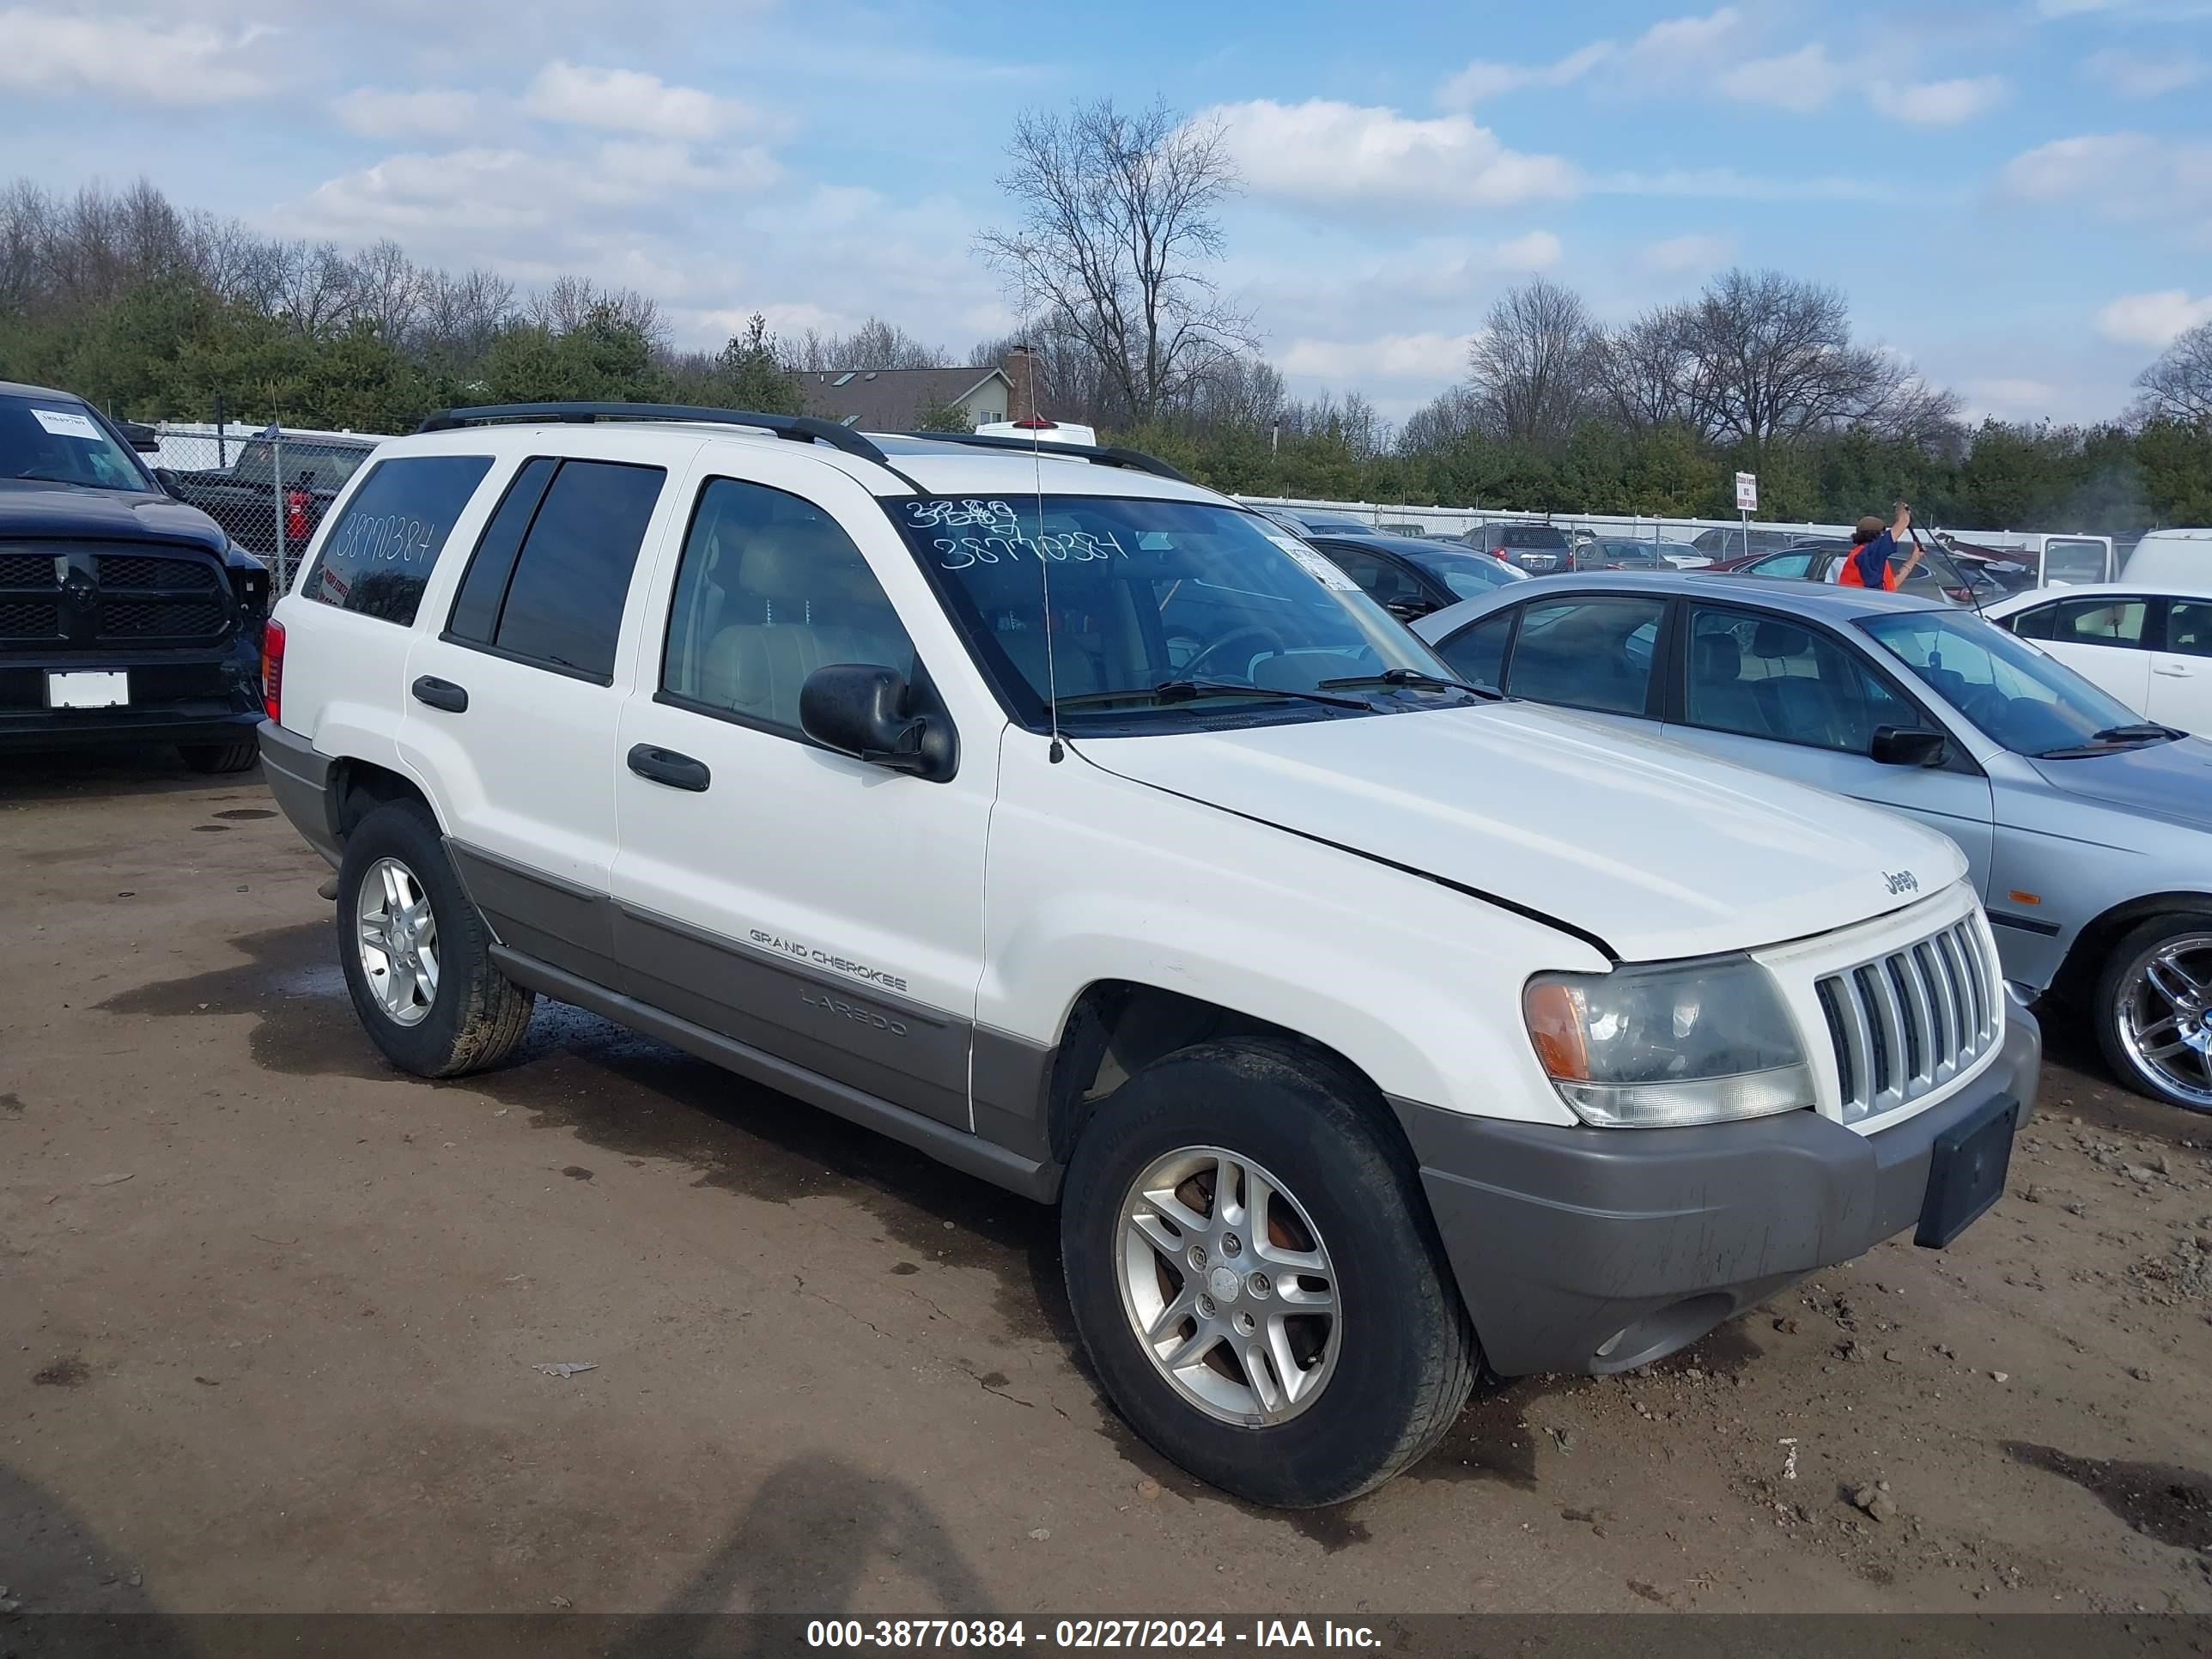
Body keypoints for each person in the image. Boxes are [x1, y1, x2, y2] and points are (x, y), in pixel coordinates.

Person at [1838, 501, 1923, 591]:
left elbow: (1890, 586)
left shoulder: (1868, 556)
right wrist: (1901, 509)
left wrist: (1913, 559)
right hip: (1861, 602)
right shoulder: (1868, 553)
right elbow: (1902, 522)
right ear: (1878, 535)